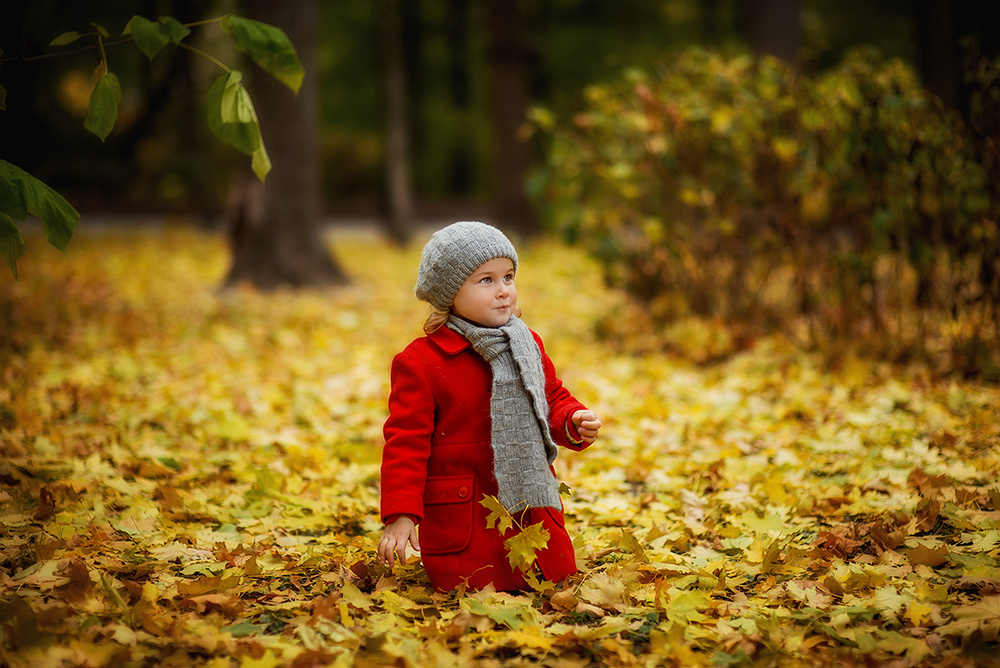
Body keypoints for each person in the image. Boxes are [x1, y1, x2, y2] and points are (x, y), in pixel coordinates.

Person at [377, 221, 602, 592]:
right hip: (467, 516)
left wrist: (573, 420)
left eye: (508, 277)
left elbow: (550, 399)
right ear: (450, 293)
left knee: (554, 580)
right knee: (475, 590)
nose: (503, 292)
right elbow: (405, 443)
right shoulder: (421, 362)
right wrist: (401, 515)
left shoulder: (525, 342)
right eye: (486, 281)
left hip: (531, 513)